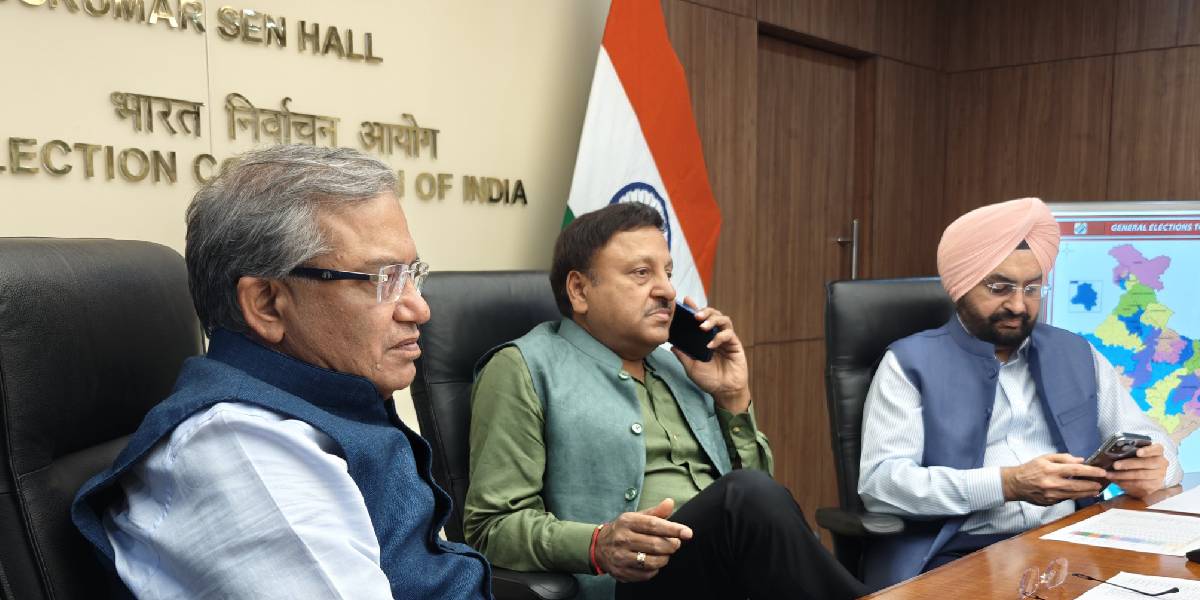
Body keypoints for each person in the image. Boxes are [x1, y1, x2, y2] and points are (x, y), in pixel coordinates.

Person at [71, 145, 491, 599]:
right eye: (384, 280)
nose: (420, 308)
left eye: (412, 274)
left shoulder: (331, 402)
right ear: (267, 304)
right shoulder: (244, 455)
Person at [465, 202, 866, 600]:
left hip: (726, 574)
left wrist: (732, 398)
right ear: (579, 290)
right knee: (744, 495)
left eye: (668, 273)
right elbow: (491, 527)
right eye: (642, 273)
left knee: (749, 494)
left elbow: (762, 505)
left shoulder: (679, 364)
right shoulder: (523, 367)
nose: (668, 291)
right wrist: (597, 544)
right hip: (629, 584)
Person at [857, 197, 1183, 589]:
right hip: (960, 550)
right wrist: (1006, 484)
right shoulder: (908, 363)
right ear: (961, 286)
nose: (1018, 305)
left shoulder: (1077, 352)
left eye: (1032, 288)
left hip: (1073, 541)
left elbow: (1148, 435)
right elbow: (882, 484)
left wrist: (1156, 467)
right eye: (1000, 287)